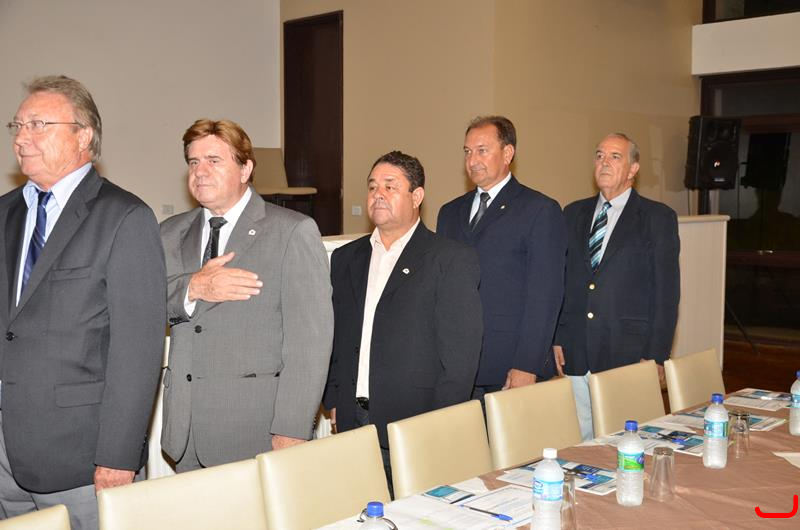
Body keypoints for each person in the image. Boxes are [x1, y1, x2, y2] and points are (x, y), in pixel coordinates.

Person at [0, 76, 166, 530]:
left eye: (38, 124)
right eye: (18, 125)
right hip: (6, 452)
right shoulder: (5, 212)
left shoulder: (124, 217)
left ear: (83, 135)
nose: (21, 137)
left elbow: (138, 351)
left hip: (81, 457)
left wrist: (118, 456)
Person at [160, 119, 333, 472]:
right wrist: (193, 287)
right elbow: (146, 307)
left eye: (214, 161)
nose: (200, 172)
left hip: (255, 434)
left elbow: (309, 344)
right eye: (194, 162)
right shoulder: (170, 233)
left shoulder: (292, 231)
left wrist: (292, 430)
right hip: (184, 433)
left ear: (245, 169)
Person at [324, 151, 482, 490]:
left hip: (414, 425)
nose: (378, 194)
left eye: (390, 186)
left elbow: (460, 362)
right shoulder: (346, 259)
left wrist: (436, 426)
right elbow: (336, 337)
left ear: (417, 196)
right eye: (372, 187)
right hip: (353, 421)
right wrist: (334, 399)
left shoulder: (449, 260)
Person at [554, 133, 680, 440]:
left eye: (615, 156)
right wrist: (557, 336)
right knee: (579, 441)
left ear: (634, 168)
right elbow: (562, 280)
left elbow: (666, 293)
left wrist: (656, 355)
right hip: (576, 350)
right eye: (599, 156)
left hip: (627, 352)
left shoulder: (657, 218)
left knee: (625, 442)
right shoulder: (572, 213)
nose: (604, 163)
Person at [437, 116, 566, 400]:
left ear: (508, 153)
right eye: (467, 151)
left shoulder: (539, 210)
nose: (472, 160)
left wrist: (527, 364)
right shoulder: (449, 213)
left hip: (511, 366)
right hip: (458, 367)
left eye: (482, 150)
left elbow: (545, 295)